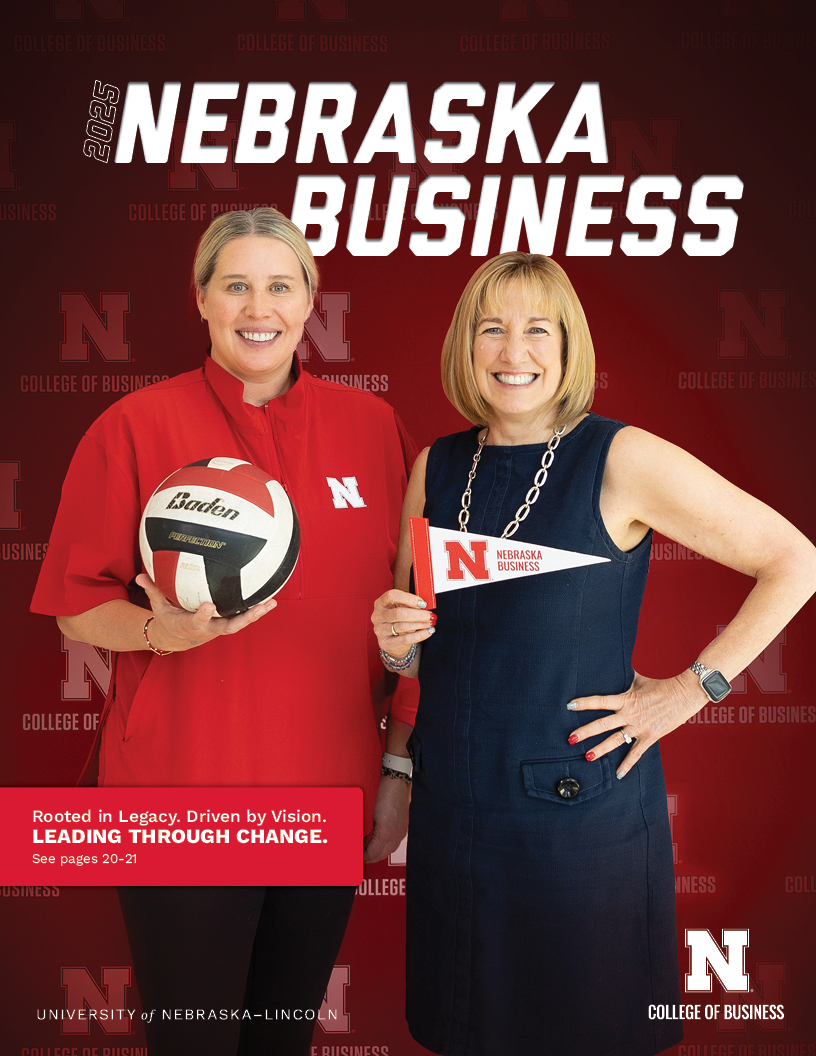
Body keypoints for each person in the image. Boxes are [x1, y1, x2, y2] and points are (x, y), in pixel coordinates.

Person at [371, 252, 816, 1056]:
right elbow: (422, 652)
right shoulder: (436, 466)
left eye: (537, 330)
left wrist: (692, 688)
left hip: (578, 826)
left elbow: (796, 561)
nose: (514, 352)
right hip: (456, 818)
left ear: (569, 346)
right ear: (464, 348)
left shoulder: (622, 457)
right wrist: (396, 655)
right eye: (492, 329)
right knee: (463, 1030)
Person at [31, 207, 418, 1056]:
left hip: (327, 795)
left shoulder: (373, 428)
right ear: (202, 299)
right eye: (236, 284)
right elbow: (74, 603)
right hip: (181, 793)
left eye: (281, 285)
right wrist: (158, 634)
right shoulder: (134, 427)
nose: (259, 306)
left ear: (311, 299)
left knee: (280, 1043)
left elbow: (410, 612)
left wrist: (399, 765)